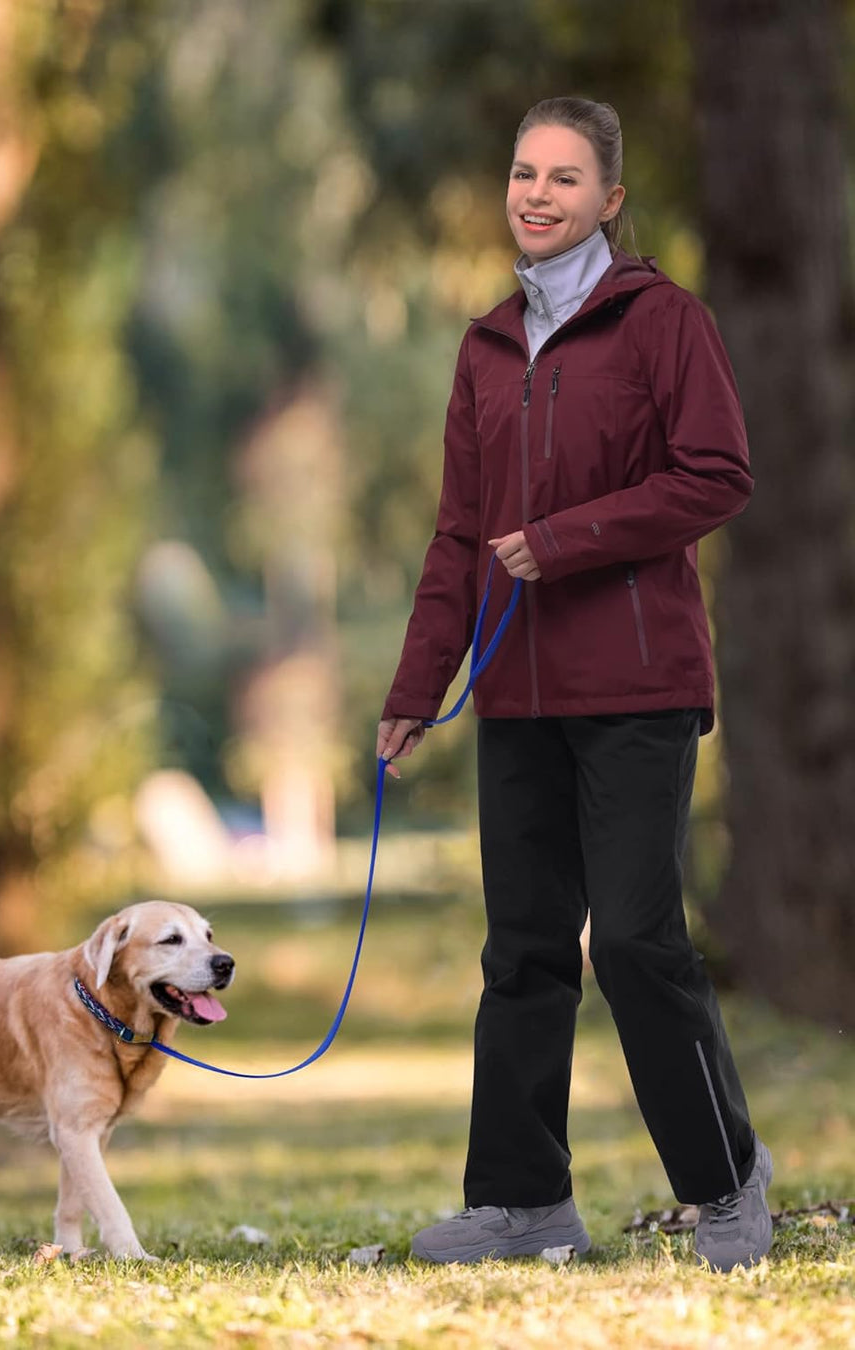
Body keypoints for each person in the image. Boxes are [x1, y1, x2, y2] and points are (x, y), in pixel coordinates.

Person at [377, 97, 772, 1272]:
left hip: (641, 687)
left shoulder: (663, 323)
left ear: (610, 200)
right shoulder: (487, 347)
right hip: (517, 696)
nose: (536, 194)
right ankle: (521, 1202)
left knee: (641, 942)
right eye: (520, 173)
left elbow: (718, 475)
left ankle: (725, 1181)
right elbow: (458, 537)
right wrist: (414, 686)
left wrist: (566, 536)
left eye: (563, 177)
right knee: (525, 948)